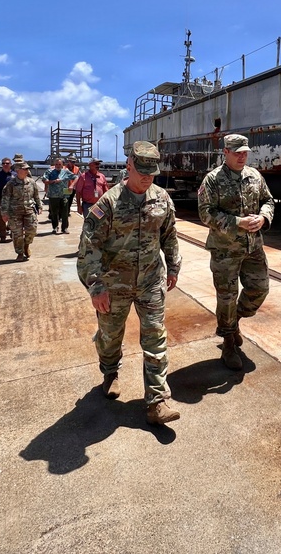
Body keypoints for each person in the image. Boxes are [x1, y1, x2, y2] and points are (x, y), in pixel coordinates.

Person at [77, 141, 182, 425]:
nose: (147, 177)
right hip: (114, 285)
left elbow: (169, 235)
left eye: (152, 172)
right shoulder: (108, 203)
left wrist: (173, 266)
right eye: (142, 171)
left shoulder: (161, 199)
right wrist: (95, 287)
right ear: (129, 166)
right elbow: (89, 250)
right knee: (110, 338)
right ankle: (110, 371)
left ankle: (157, 401)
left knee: (155, 338)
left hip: (150, 282)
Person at [197, 133, 275, 370]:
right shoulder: (212, 180)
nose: (242, 156)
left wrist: (263, 217)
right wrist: (237, 222)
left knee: (260, 289)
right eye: (237, 152)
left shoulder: (254, 176)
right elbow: (205, 213)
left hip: (253, 247)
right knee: (227, 297)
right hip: (225, 250)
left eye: (245, 152)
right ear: (226, 153)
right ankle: (229, 342)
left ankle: (235, 321)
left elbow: (268, 201)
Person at [0, 161, 41, 261]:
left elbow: (36, 195)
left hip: (29, 210)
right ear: (18, 170)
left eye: (28, 169)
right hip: (15, 213)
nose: (27, 170)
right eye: (25, 169)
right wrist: (4, 213)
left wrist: (39, 206)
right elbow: (5, 199)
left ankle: (26, 245)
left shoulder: (31, 182)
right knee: (17, 234)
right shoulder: (11, 184)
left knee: (32, 230)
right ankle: (20, 253)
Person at [42, 157, 76, 234]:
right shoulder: (49, 171)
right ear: (54, 164)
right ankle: (55, 227)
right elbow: (44, 180)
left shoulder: (66, 172)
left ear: (62, 165)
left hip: (64, 195)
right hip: (53, 195)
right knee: (54, 213)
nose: (58, 165)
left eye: (59, 164)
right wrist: (53, 181)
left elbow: (76, 177)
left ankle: (64, 228)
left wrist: (72, 185)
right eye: (56, 164)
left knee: (65, 212)